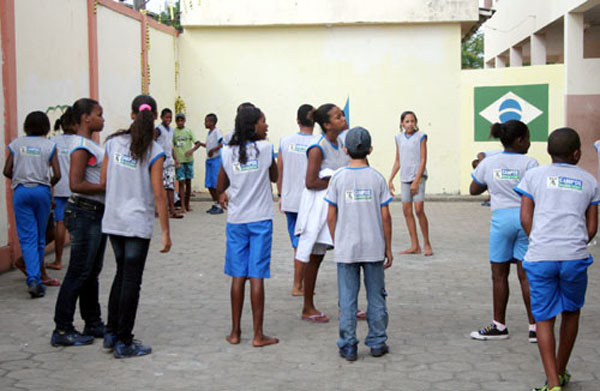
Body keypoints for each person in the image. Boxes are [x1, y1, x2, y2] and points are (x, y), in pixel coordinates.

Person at [515, 128, 598, 391]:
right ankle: (561, 370)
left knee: (544, 318)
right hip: (574, 256)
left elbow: (525, 217)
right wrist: (573, 243)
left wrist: (539, 239)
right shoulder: (590, 181)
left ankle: (552, 384)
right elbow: (592, 227)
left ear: (549, 152)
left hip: (541, 256)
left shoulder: (533, 176)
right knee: (571, 313)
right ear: (577, 154)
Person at [101, 94, 171, 358]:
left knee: (120, 275)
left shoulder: (112, 143)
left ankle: (111, 333)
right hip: (136, 223)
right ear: (153, 117)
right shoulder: (154, 150)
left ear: (132, 115)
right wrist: (165, 232)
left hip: (114, 221)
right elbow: (159, 194)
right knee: (131, 280)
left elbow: (105, 180)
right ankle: (124, 341)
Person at [325, 126, 393, 361]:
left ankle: (348, 345)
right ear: (370, 150)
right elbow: (386, 217)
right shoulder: (377, 178)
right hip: (374, 247)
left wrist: (337, 240)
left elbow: (331, 215)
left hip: (347, 249)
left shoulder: (338, 178)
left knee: (347, 299)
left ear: (345, 150)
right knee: (376, 296)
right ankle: (376, 341)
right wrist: (388, 247)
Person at [469, 120, 538, 342]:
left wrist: (489, 181)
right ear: (519, 140)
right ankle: (535, 327)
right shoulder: (530, 163)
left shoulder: (490, 162)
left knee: (499, 275)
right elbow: (537, 192)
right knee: (526, 275)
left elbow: (474, 189)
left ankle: (499, 325)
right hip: (526, 219)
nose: (529, 142)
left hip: (501, 221)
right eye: (527, 137)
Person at [217, 106, 279, 347]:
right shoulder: (264, 148)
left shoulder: (227, 152)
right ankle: (258, 334)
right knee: (257, 276)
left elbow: (221, 184)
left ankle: (234, 332)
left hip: (236, 220)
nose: (267, 126)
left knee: (237, 276)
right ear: (254, 126)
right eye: (264, 122)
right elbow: (274, 176)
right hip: (260, 219)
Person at [51, 98, 109, 346]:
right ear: (85, 118)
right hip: (85, 212)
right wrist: (106, 186)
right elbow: (75, 183)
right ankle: (62, 329)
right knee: (78, 271)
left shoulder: (89, 144)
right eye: (99, 114)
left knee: (91, 271)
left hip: (95, 212)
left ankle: (93, 322)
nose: (102, 119)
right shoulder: (81, 146)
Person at [295, 103, 349, 323]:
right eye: (337, 116)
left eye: (342, 115)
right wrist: (333, 181)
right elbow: (310, 181)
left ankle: (348, 305)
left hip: (344, 207)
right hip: (323, 210)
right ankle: (307, 306)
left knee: (349, 257)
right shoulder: (318, 147)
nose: (343, 118)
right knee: (316, 258)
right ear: (326, 124)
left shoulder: (344, 142)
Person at [3, 111, 60, 298]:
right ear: (46, 126)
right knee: (40, 238)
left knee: (27, 237)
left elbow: (7, 170)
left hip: (21, 192)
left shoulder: (16, 144)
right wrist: (44, 185)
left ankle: (33, 278)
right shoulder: (49, 145)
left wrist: (21, 180)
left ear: (26, 126)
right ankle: (38, 277)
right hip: (42, 192)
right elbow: (57, 174)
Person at [277, 104, 314, 296]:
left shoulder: (285, 141)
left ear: (297, 120)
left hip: (290, 199)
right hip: (310, 200)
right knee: (306, 242)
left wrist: (281, 195)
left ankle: (300, 282)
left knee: (296, 242)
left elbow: (279, 170)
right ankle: (299, 284)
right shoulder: (319, 142)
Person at [388, 111, 433, 256]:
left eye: (412, 121)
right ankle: (415, 245)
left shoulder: (421, 137)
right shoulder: (399, 138)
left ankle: (427, 243)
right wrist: (390, 179)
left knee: (419, 209)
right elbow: (398, 160)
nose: (410, 124)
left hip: (418, 177)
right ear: (402, 123)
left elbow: (423, 159)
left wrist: (416, 180)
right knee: (407, 211)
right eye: (407, 121)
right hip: (405, 178)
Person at [46, 108, 77, 271]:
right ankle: (77, 261)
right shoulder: (79, 141)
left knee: (60, 223)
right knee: (76, 226)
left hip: (58, 188)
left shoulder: (54, 141)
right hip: (76, 188)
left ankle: (57, 260)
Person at [156, 108, 183, 219]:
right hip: (159, 161)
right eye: (166, 117)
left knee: (170, 186)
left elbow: (171, 146)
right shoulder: (158, 130)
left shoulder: (171, 130)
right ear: (161, 118)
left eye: (170, 117)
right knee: (159, 186)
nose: (169, 119)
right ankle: (158, 210)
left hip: (169, 161)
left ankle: (172, 210)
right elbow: (152, 143)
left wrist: (176, 159)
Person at [173, 113, 201, 212]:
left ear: (184, 121)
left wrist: (191, 151)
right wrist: (175, 159)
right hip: (179, 161)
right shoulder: (174, 132)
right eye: (178, 121)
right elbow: (172, 146)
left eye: (182, 120)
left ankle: (187, 204)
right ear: (176, 121)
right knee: (181, 182)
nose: (180, 122)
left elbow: (198, 143)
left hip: (189, 161)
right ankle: (183, 206)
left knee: (188, 182)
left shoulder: (188, 131)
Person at [202, 113, 224, 214]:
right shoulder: (209, 133)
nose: (205, 123)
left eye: (206, 121)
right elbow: (208, 145)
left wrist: (212, 150)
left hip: (216, 159)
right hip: (209, 160)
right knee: (209, 183)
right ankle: (215, 202)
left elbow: (221, 144)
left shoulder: (217, 132)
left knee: (216, 183)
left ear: (212, 122)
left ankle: (220, 204)